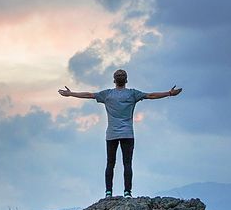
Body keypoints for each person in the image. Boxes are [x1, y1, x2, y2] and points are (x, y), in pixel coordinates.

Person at [58, 69, 182, 198]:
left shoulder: (107, 94)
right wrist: (169, 93)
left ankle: (108, 193)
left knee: (110, 163)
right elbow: (151, 95)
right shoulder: (133, 94)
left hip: (111, 134)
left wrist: (71, 94)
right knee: (127, 163)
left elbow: (89, 95)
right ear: (126, 80)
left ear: (114, 80)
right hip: (128, 134)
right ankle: (127, 192)